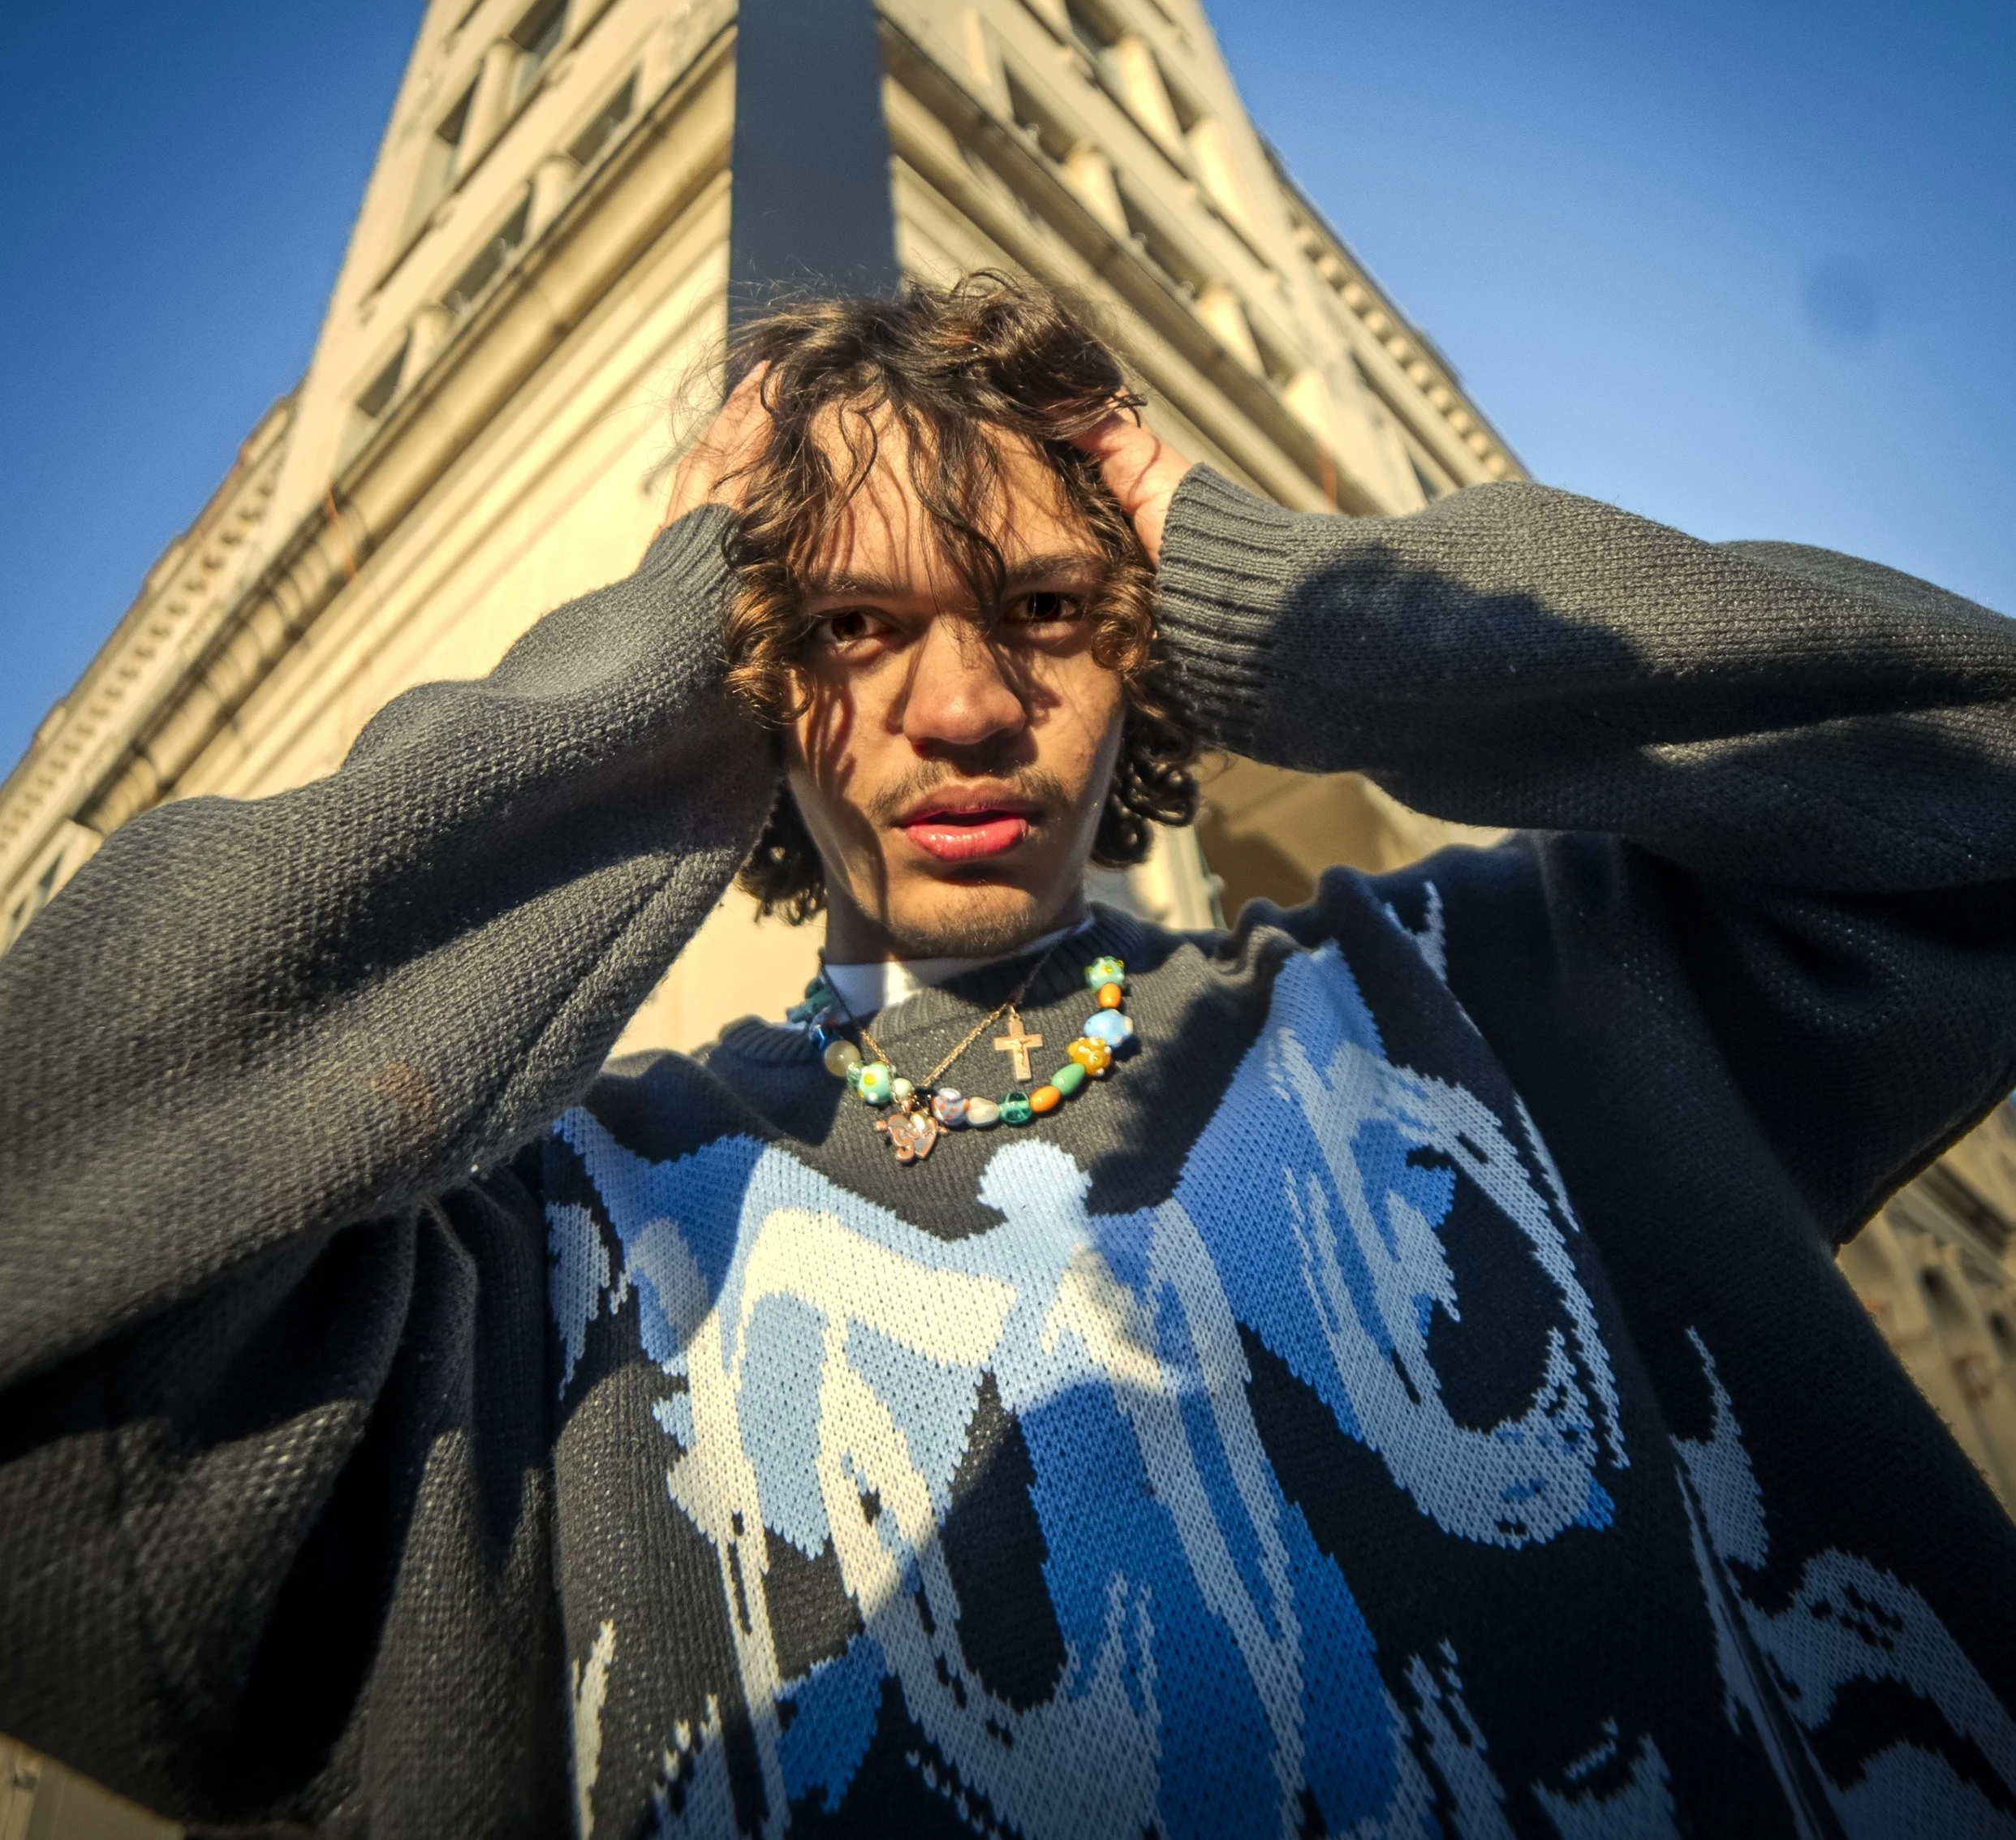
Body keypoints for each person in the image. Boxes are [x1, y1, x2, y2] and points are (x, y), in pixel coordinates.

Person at [2, 274, 2014, 1840]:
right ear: (755, 678)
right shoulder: (543, 1273)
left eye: (1045, 603)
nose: (965, 702)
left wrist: (1257, 575)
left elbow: (1974, 781)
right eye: (859, 626)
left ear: (1144, 634)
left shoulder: (1516, 1003)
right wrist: (658, 656)